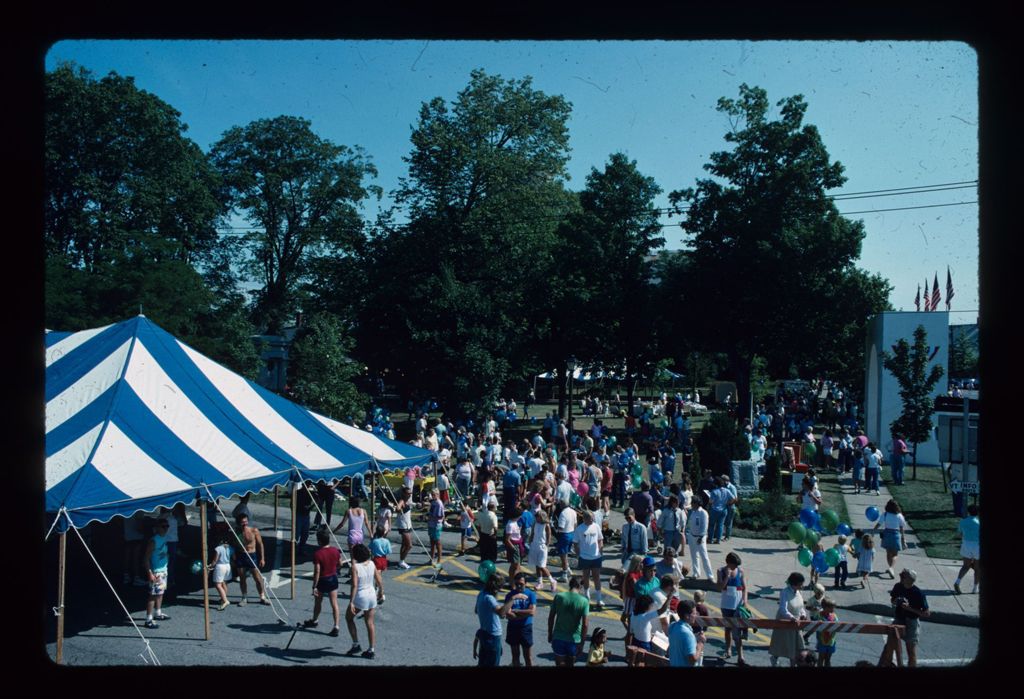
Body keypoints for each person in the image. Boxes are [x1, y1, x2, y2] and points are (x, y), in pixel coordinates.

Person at [879, 568, 930, 667]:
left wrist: (909, 608)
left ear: (909, 580)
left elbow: (926, 613)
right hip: (899, 618)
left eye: (903, 576)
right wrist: (896, 601)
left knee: (910, 650)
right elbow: (892, 600)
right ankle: (884, 665)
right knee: (889, 646)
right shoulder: (898, 586)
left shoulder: (918, 593)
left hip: (912, 622)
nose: (900, 577)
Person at [344, 543, 382, 659]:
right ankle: (371, 649)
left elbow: (354, 585)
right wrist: (381, 591)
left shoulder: (355, 567)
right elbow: (378, 578)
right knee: (370, 623)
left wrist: (351, 601)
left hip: (361, 596)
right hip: (371, 594)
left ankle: (356, 643)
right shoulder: (371, 563)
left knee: (349, 618)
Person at [303, 527, 342, 636]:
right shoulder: (335, 550)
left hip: (322, 580)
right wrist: (335, 568)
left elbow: (317, 571)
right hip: (333, 578)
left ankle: (315, 620)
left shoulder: (318, 554)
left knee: (318, 602)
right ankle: (336, 625)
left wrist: (314, 586)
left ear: (319, 540)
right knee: (334, 603)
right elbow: (341, 563)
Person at [548, 576, 590, 667]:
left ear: (570, 585)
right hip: (574, 640)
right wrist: (582, 643)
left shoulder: (559, 596)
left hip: (558, 638)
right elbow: (585, 625)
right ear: (581, 587)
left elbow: (551, 617)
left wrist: (550, 634)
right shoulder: (584, 601)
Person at [717, 551, 750, 666]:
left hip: (737, 605)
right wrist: (727, 575)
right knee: (727, 629)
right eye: (734, 564)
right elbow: (720, 586)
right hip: (726, 605)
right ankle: (728, 650)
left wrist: (745, 602)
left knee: (737, 630)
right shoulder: (720, 571)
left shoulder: (740, 571)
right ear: (728, 563)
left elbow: (745, 588)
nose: (736, 567)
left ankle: (741, 656)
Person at [768, 572, 808, 667]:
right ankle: (774, 658)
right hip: (786, 621)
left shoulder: (799, 592)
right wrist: (792, 617)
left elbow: (801, 606)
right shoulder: (784, 592)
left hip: (796, 622)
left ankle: (792, 664)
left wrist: (803, 614)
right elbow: (783, 609)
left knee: (796, 645)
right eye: (800, 584)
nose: (802, 586)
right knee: (783, 643)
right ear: (794, 584)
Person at [573, 509, 605, 610]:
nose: (593, 520)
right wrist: (579, 555)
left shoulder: (596, 526)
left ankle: (599, 599)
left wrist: (600, 552)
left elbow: (600, 539)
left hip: (596, 557)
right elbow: (575, 543)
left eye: (593, 518)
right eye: (591, 519)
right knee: (585, 577)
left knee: (597, 577)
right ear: (585, 519)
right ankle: (587, 596)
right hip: (584, 557)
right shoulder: (579, 529)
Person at [233, 514, 269, 606]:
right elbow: (233, 544)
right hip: (241, 555)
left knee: (257, 578)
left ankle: (262, 597)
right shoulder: (236, 532)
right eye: (242, 522)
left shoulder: (254, 530)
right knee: (242, 578)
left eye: (245, 521)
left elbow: (260, 544)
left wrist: (262, 558)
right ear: (239, 523)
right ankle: (244, 597)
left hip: (252, 555)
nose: (244, 523)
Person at [143, 518, 172, 628]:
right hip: (156, 572)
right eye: (163, 526)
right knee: (152, 595)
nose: (166, 528)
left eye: (167, 526)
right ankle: (148, 619)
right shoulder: (153, 541)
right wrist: (149, 573)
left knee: (160, 593)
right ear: (157, 528)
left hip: (163, 570)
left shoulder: (164, 538)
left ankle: (158, 613)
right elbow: (146, 558)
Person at [504, 571, 537, 667]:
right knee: (515, 656)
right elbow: (508, 613)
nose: (519, 586)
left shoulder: (531, 594)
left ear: (526, 583)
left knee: (528, 657)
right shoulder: (510, 595)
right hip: (513, 628)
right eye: (517, 584)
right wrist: (524, 613)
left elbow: (532, 612)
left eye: (521, 584)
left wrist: (516, 611)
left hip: (525, 628)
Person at [873, 499, 907, 579]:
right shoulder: (899, 516)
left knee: (888, 552)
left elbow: (879, 523)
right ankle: (891, 568)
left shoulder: (885, 514)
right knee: (895, 554)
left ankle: (890, 568)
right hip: (895, 534)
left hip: (887, 534)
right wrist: (903, 539)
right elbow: (902, 527)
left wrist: (873, 531)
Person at [667, 599, 704, 667]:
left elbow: (671, 649)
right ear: (687, 616)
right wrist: (700, 644)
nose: (696, 615)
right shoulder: (688, 634)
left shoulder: (672, 626)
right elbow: (693, 660)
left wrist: (694, 639)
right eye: (694, 613)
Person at [528, 509, 556, 592]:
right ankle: (540, 582)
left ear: (542, 517)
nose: (536, 518)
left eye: (538, 517)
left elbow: (549, 535)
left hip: (542, 546)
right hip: (535, 545)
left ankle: (552, 581)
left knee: (542, 565)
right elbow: (532, 533)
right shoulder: (535, 524)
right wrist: (530, 541)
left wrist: (547, 545)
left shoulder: (546, 525)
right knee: (537, 565)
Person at [954, 504, 980, 594]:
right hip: (977, 546)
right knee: (977, 568)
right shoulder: (979, 523)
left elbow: (959, 534)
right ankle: (975, 588)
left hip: (966, 544)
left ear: (969, 512)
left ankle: (957, 582)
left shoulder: (963, 522)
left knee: (966, 566)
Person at [686, 495, 713, 581]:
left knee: (704, 556)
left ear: (697, 503)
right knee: (694, 556)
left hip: (700, 537)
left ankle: (710, 576)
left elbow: (704, 527)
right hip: (692, 536)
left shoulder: (703, 513)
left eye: (692, 503)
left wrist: (701, 537)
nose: (691, 505)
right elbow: (690, 524)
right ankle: (696, 573)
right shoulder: (693, 512)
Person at [208, 531, 233, 611]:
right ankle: (223, 597)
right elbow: (234, 557)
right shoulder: (230, 548)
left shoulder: (218, 548)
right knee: (224, 582)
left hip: (220, 566)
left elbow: (215, 560)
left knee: (218, 584)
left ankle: (225, 600)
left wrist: (210, 566)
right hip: (228, 565)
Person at [555, 501, 578, 583]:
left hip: (564, 535)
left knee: (563, 556)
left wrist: (555, 530)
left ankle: (564, 575)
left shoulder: (563, 513)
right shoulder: (573, 511)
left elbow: (561, 528)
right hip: (571, 534)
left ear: (562, 505)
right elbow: (575, 524)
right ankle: (568, 569)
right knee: (566, 554)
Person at [394, 487, 414, 569]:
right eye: (408, 493)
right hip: (403, 526)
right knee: (409, 545)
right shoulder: (402, 501)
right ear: (404, 494)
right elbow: (397, 508)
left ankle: (401, 560)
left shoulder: (407, 501)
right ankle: (402, 561)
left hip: (408, 525)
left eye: (410, 493)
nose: (409, 495)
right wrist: (399, 508)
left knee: (404, 544)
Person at [370, 527, 391, 602]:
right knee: (379, 575)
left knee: (377, 576)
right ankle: (377, 589)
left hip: (377, 559)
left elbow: (371, 549)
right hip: (384, 559)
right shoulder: (386, 541)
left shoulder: (375, 541)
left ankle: (380, 592)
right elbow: (389, 551)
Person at [815, 597, 838, 667]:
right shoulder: (819, 615)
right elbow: (815, 624)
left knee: (828, 659)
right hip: (822, 641)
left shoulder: (834, 616)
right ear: (825, 607)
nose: (833, 609)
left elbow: (837, 625)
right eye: (831, 608)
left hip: (831, 641)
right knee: (821, 658)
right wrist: (818, 623)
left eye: (833, 607)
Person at [426, 488, 445, 565]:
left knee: (437, 542)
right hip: (431, 524)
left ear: (438, 494)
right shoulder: (433, 502)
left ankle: (439, 560)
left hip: (436, 525)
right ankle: (431, 558)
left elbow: (440, 516)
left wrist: (430, 517)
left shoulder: (439, 504)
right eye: (432, 494)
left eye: (434, 494)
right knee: (432, 542)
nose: (433, 496)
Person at [477, 500, 500, 565]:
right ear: (493, 508)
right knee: (492, 554)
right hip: (490, 536)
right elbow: (495, 528)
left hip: (483, 535)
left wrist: (480, 533)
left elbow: (478, 526)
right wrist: (495, 534)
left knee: (484, 554)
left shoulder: (482, 514)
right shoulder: (493, 516)